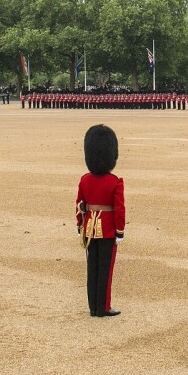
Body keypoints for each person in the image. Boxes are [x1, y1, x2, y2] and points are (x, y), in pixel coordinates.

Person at [76, 125, 126, 317]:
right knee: (105, 269)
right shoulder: (115, 182)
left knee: (93, 268)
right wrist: (120, 231)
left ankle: (93, 307)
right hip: (107, 230)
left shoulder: (85, 180)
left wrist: (79, 224)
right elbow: (119, 209)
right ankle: (103, 307)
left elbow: (80, 204)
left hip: (89, 228)